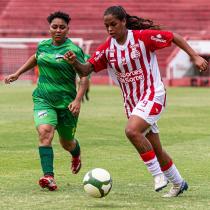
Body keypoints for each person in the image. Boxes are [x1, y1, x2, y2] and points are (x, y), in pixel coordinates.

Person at [63, 6, 208, 197]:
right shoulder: (108, 48)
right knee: (155, 148)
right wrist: (74, 62)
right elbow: (85, 70)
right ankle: (179, 183)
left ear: (123, 21)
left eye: (113, 24)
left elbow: (173, 36)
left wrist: (195, 56)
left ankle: (158, 175)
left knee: (131, 130)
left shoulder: (142, 38)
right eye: (106, 26)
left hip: (153, 94)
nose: (110, 29)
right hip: (133, 103)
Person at [4, 11, 89, 191]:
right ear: (49, 29)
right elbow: (35, 58)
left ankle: (76, 154)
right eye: (54, 27)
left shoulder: (73, 50)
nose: (58, 30)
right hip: (43, 99)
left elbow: (84, 76)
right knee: (45, 132)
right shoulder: (43, 45)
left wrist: (78, 100)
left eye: (62, 27)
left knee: (67, 142)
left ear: (68, 29)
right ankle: (48, 176)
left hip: (66, 103)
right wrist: (18, 73)